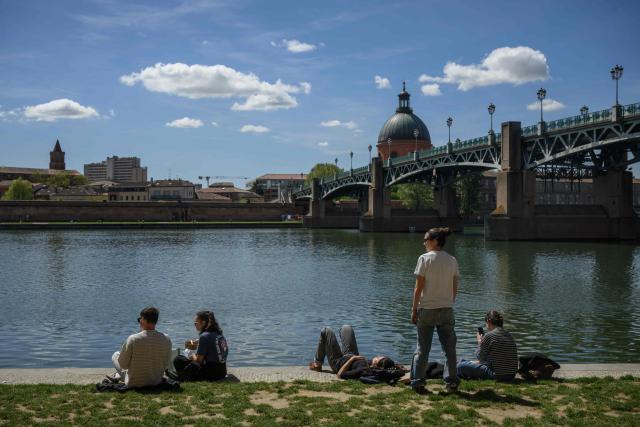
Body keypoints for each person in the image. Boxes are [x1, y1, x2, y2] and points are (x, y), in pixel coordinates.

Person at [410, 227, 460, 394]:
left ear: (435, 241)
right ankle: (452, 382)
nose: (424, 243)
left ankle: (418, 382)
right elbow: (455, 287)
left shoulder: (424, 259)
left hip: (427, 309)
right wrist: (448, 302)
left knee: (423, 349)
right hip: (446, 309)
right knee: (449, 349)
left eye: (426, 239)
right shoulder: (452, 260)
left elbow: (418, 288)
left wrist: (414, 309)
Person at [112, 307, 173, 388]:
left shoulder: (133, 339)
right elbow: (167, 363)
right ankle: (117, 375)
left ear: (143, 320)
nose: (139, 321)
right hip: (156, 381)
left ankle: (118, 375)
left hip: (133, 382)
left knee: (116, 355)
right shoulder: (166, 339)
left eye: (139, 319)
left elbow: (124, 365)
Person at [308, 325, 400, 379]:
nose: (378, 355)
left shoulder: (362, 370)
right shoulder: (376, 366)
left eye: (378, 358)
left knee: (326, 330)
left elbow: (340, 374)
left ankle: (317, 364)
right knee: (347, 328)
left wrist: (352, 359)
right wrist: (394, 365)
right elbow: (389, 369)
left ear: (375, 364)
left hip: (338, 362)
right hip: (350, 354)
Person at [457, 310, 518, 381]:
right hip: (511, 375)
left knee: (460, 366)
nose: (486, 327)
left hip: (496, 375)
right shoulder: (509, 334)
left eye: (486, 323)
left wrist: (480, 342)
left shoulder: (489, 335)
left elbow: (480, 357)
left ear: (488, 322)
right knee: (463, 361)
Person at [173, 310, 228, 381]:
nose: (195, 325)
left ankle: (182, 378)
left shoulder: (204, 336)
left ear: (203, 323)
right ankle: (182, 376)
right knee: (183, 360)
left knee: (178, 359)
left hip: (211, 374)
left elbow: (198, 361)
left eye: (196, 323)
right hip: (222, 372)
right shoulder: (219, 334)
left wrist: (190, 353)